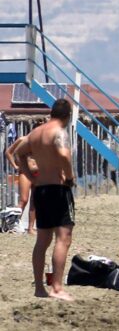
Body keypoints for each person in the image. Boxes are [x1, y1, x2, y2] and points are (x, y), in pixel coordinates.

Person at [8, 98, 77, 300]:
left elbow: (19, 153)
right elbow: (64, 156)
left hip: (42, 189)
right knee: (63, 238)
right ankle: (57, 287)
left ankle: (39, 288)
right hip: (58, 188)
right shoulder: (59, 132)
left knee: (42, 240)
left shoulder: (36, 133)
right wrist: (70, 177)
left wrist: (29, 175)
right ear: (68, 116)